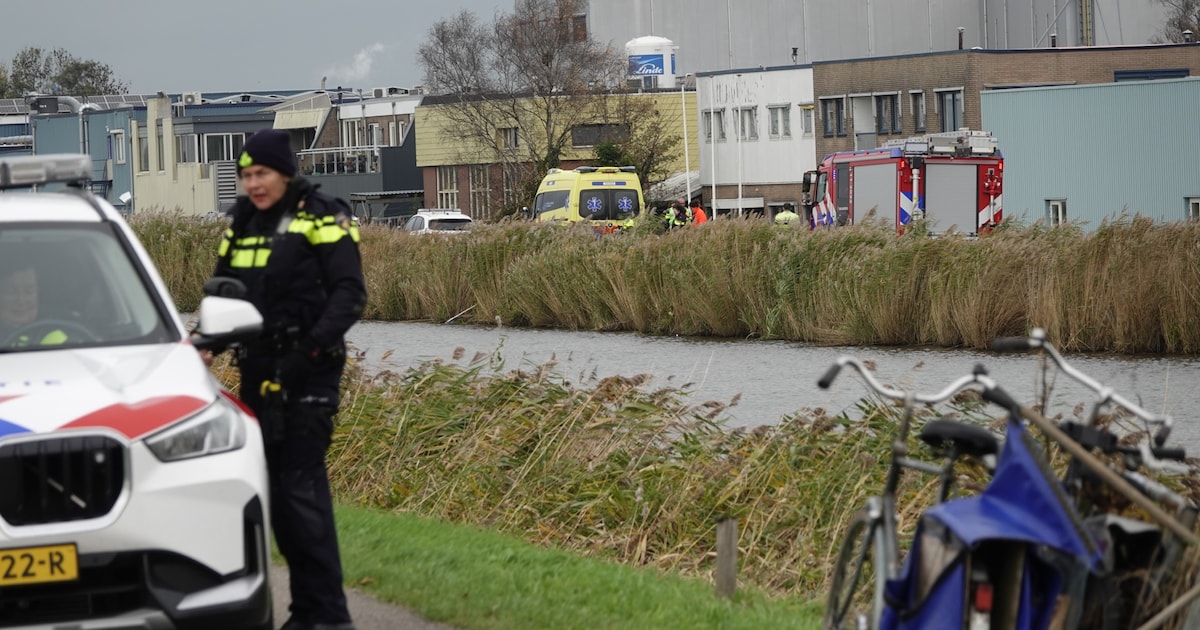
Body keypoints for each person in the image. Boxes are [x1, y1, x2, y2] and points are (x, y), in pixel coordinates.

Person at [209, 129, 367, 630]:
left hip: (309, 371)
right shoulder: (240, 224)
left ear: (286, 173)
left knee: (300, 491)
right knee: (275, 497)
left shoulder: (323, 215)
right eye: (245, 175)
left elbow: (349, 293)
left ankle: (329, 618)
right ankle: (307, 613)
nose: (253, 184)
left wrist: (308, 352)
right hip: (257, 371)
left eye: (263, 174)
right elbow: (222, 295)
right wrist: (202, 346)